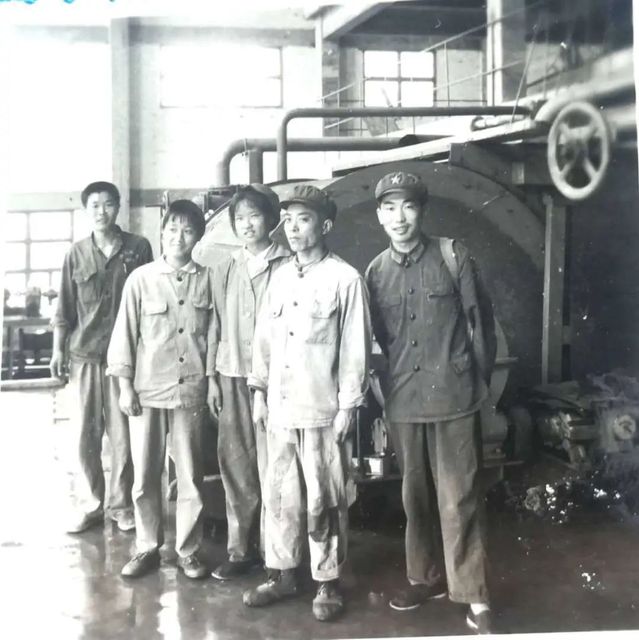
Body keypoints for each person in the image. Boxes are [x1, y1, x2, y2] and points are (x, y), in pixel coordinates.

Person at [364, 171, 497, 635]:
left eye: (408, 206)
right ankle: (425, 578)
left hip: (455, 398)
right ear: (379, 216)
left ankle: (474, 594)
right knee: (414, 499)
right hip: (403, 401)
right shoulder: (374, 272)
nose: (399, 217)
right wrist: (383, 393)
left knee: (459, 498)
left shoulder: (452, 255)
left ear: (421, 211)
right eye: (389, 208)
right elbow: (375, 342)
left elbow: (481, 325)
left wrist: (477, 387)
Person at [242, 184, 371, 622]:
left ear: (326, 225)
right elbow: (263, 340)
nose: (293, 229)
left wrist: (348, 408)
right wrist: (259, 392)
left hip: (322, 412)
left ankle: (327, 581)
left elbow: (355, 351)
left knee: (324, 499)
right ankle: (282, 574)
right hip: (279, 409)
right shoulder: (279, 277)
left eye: (304, 220)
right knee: (280, 495)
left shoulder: (345, 279)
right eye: (289, 220)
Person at [106, 199, 214, 580]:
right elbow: (124, 335)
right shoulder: (141, 279)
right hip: (147, 391)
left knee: (190, 477)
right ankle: (147, 546)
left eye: (187, 230)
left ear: (198, 237)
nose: (178, 237)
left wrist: (211, 383)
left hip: (191, 391)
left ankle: (188, 551)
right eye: (172, 229)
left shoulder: (208, 279)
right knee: (145, 475)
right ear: (162, 232)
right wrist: (125, 387)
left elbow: (214, 337)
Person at [51, 181, 153, 535]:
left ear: (118, 207)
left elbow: (149, 301)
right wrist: (57, 349)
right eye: (94, 205)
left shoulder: (138, 248)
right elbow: (64, 308)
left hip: (126, 359)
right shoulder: (76, 254)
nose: (102, 211)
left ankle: (121, 506)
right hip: (84, 356)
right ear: (86, 210)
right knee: (85, 435)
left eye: (108, 204)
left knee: (123, 437)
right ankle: (91, 505)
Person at [208, 184, 291, 581]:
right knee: (237, 463)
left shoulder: (288, 264)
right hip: (232, 374)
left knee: (276, 464)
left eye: (254, 216)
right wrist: (212, 378)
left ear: (271, 220)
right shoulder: (225, 267)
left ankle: (277, 553)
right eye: (239, 218)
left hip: (277, 380)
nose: (246, 224)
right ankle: (241, 550)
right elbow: (214, 324)